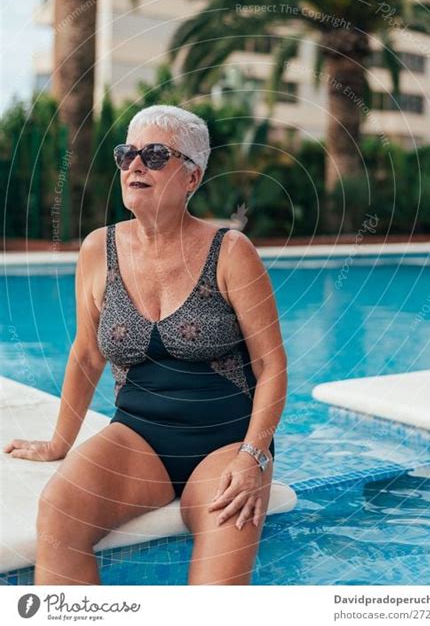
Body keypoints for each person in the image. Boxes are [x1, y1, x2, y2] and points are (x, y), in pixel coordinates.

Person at [4, 105, 288, 585]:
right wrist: (59, 442)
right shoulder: (99, 249)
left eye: (155, 155)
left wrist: (253, 457)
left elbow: (272, 366)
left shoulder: (231, 253)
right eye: (127, 153)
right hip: (138, 439)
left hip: (225, 444)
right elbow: (87, 353)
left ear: (191, 177)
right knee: (58, 512)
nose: (135, 164)